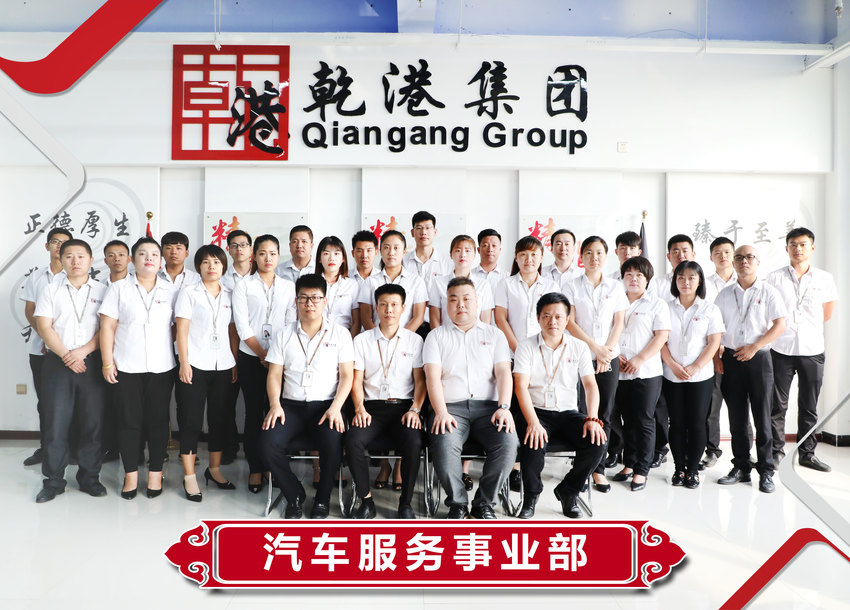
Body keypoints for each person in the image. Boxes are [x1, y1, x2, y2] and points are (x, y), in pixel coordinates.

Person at [259, 274, 354, 519]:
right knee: (267, 443)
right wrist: (275, 405)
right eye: (304, 298)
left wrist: (336, 408)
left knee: (333, 443)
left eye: (315, 298)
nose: (309, 303)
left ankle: (322, 498)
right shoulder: (284, 334)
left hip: (326, 407)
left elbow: (347, 376)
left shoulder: (340, 334)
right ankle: (294, 495)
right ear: (296, 301)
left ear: (325, 301)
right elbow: (274, 375)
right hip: (290, 407)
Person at [424, 277, 518, 519]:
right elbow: (432, 378)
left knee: (508, 443)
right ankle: (457, 503)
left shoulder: (495, 335)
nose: (461, 305)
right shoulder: (436, 336)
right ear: (447, 304)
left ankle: (484, 504)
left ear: (477, 302)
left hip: (490, 410)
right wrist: (441, 412)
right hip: (450, 409)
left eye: (466, 299)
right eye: (454, 300)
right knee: (444, 445)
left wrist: (504, 406)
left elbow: (503, 372)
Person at [513, 292, 608, 519]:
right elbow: (520, 387)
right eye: (546, 316)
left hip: (568, 413)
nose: (552, 322)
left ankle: (569, 490)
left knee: (597, 441)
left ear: (567, 320)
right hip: (536, 412)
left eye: (558, 317)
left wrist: (592, 418)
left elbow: (590, 385)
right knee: (533, 443)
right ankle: (531, 497)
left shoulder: (579, 347)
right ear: (538, 318)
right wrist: (533, 423)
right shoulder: (526, 346)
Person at [99, 237, 176, 500]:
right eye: (143, 253)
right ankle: (130, 474)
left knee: (158, 421)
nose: (149, 258)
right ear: (133, 259)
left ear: (161, 260)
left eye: (154, 254)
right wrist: (107, 362)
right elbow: (107, 327)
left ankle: (155, 473)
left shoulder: (171, 290)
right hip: (126, 366)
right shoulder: (119, 289)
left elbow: (178, 328)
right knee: (128, 421)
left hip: (162, 367)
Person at [33, 239, 108, 502]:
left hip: (91, 361)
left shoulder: (103, 290)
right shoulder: (50, 289)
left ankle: (90, 478)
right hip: (57, 362)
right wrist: (67, 355)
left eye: (81, 256)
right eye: (69, 256)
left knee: (92, 423)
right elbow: (44, 326)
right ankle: (53, 481)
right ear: (61, 259)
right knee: (55, 423)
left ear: (90, 260)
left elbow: (107, 328)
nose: (75, 261)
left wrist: (83, 351)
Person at [346, 284, 426, 519]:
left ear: (403, 308)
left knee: (414, 441)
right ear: (376, 308)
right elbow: (356, 380)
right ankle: (366, 501)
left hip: (404, 408)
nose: (388, 310)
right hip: (371, 408)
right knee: (352, 440)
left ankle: (405, 504)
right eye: (383, 305)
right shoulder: (362, 340)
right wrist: (359, 408)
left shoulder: (414, 341)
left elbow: (420, 381)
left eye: (394, 305)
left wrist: (415, 409)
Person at [714, 245, 786, 493]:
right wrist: (716, 358)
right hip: (731, 358)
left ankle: (766, 471)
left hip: (759, 359)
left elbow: (780, 324)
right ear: (733, 263)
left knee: (762, 418)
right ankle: (741, 466)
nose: (744, 261)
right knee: (737, 418)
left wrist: (755, 347)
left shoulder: (768, 292)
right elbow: (715, 330)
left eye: (749, 257)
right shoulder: (724, 295)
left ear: (757, 262)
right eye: (739, 258)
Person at [767, 227, 837, 472]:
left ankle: (807, 453)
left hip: (812, 349)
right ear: (786, 248)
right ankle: (776, 452)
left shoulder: (824, 279)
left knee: (809, 406)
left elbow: (826, 314)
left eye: (803, 244)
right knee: (777, 405)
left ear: (812, 248)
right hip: (781, 349)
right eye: (793, 244)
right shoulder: (774, 278)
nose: (798, 249)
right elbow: (770, 312)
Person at [231, 234, 297, 493]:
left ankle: (273, 466)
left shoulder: (288, 286)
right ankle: (255, 468)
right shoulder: (243, 286)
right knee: (253, 414)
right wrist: (262, 353)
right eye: (262, 253)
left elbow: (291, 323)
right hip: (251, 356)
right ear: (254, 256)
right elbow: (242, 325)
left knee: (277, 412)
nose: (267, 258)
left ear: (279, 256)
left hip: (280, 359)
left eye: (272, 253)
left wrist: (275, 356)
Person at [562, 235, 628, 491]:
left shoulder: (616, 287)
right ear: (581, 256)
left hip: (608, 357)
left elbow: (619, 322)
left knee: (605, 413)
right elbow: (570, 322)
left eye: (599, 252)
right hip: (581, 356)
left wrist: (606, 352)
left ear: (606, 255)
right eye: (589, 252)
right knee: (583, 412)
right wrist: (595, 349)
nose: (594, 257)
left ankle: (598, 469)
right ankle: (583, 469)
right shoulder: (571, 285)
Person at [174, 244, 239, 502]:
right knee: (191, 421)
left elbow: (232, 331)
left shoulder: (231, 294)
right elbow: (181, 330)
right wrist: (184, 362)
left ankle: (214, 470)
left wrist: (234, 361)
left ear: (224, 266)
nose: (212, 267)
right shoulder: (189, 292)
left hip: (223, 365)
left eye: (217, 262)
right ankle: (190, 476)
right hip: (195, 364)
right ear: (198, 266)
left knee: (219, 420)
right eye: (206, 262)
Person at [660, 261, 724, 489]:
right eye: (681, 277)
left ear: (699, 281)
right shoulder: (664, 307)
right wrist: (673, 365)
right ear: (674, 281)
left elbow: (714, 342)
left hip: (701, 376)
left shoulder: (710, 309)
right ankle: (679, 468)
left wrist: (696, 366)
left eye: (691, 278)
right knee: (676, 423)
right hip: (672, 375)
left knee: (697, 423)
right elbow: (660, 339)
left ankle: (693, 470)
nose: (685, 282)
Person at [611, 256, 671, 492]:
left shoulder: (657, 304)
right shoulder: (614, 301)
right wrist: (615, 355)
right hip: (618, 370)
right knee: (624, 421)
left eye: (639, 275)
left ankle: (642, 470)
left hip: (646, 372)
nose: (633, 279)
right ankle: (629, 463)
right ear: (622, 278)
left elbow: (661, 336)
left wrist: (639, 359)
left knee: (644, 420)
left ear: (647, 279)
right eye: (629, 275)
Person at [20, 227, 71, 467]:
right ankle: (46, 449)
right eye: (55, 241)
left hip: (70, 351)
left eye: (64, 242)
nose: (59, 246)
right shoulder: (36, 277)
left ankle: (71, 449)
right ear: (47, 246)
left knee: (72, 402)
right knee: (45, 402)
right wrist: (46, 338)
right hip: (39, 349)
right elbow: (30, 311)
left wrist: (56, 344)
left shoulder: (75, 274)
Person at [700, 235, 746, 470]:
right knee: (712, 405)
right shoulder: (703, 285)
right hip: (714, 352)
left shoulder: (746, 282)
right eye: (717, 252)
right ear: (711, 257)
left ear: (734, 256)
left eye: (727, 252)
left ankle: (745, 453)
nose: (723, 256)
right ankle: (712, 449)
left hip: (740, 353)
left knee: (742, 406)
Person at [220, 229, 253, 465]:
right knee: (226, 403)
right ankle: (229, 447)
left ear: (251, 249)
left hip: (255, 350)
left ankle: (255, 450)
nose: (239, 249)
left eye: (243, 245)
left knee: (255, 405)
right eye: (234, 245)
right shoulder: (220, 278)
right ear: (228, 250)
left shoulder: (262, 276)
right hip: (225, 348)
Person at [494, 236, 557, 354]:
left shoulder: (551, 287)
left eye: (534, 254)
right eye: (523, 254)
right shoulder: (505, 284)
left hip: (544, 353)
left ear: (541, 257)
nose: (529, 259)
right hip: (512, 353)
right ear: (516, 258)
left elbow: (555, 320)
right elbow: (500, 319)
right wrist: (518, 351)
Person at [358, 229, 428, 333]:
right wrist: (377, 338)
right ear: (380, 252)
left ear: (404, 252)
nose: (391, 252)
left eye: (396, 248)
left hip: (405, 338)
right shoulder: (369, 282)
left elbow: (418, 317)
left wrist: (400, 338)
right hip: (374, 339)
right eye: (386, 247)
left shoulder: (416, 281)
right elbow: (365, 318)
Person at [101, 239, 130, 463]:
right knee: (107, 402)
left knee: (130, 406)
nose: (116, 258)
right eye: (111, 255)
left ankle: (133, 450)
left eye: (121, 254)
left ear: (129, 258)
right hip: (104, 353)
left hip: (129, 353)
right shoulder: (98, 287)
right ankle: (110, 448)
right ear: (105, 260)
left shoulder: (139, 284)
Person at [403, 211, 453, 335]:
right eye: (419, 228)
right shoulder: (403, 261)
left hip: (438, 325)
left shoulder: (447, 262)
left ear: (435, 232)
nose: (423, 232)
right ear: (412, 233)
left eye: (428, 228)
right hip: (408, 325)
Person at [429, 234, 494, 328]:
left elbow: (486, 321)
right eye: (458, 250)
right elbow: (434, 320)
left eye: (467, 251)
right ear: (451, 254)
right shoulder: (439, 283)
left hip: (475, 335)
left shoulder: (483, 284)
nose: (463, 255)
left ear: (474, 255)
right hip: (446, 334)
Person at [315, 235, 361, 337]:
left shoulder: (352, 285)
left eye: (336, 254)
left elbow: (356, 322)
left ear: (343, 258)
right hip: (317, 336)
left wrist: (349, 342)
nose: (331, 258)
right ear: (319, 259)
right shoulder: (312, 284)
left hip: (343, 337)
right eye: (326, 253)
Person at [650, 234, 695, 303]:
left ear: (693, 255)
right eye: (676, 252)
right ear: (669, 257)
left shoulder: (705, 284)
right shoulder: (657, 284)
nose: (681, 256)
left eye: (685, 251)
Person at [159, 231, 201, 297]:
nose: (173, 252)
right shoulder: (154, 277)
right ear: (162, 252)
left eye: (178, 248)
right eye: (168, 248)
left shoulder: (196, 279)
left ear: (186, 253)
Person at [471, 228, 505, 293]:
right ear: (478, 250)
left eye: (494, 245)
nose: (490, 249)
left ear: (499, 250)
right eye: (485, 245)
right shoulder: (469, 276)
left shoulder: (508, 277)